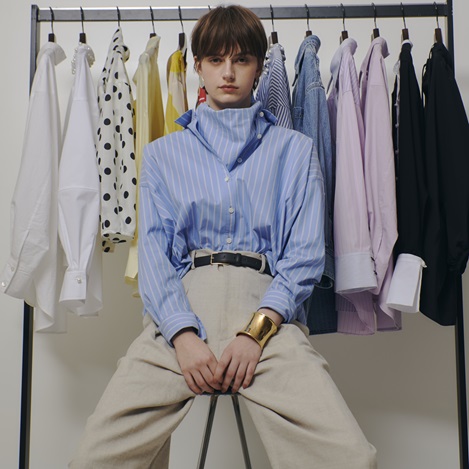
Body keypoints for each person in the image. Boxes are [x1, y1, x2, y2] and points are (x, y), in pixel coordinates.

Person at [70, 5, 377, 468]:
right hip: (181, 311)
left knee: (351, 458)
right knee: (94, 459)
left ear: (259, 67)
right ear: (198, 66)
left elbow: (305, 255)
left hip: (268, 314)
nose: (228, 73)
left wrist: (256, 333)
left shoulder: (295, 150)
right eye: (215, 60)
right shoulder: (163, 155)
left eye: (241, 60)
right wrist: (182, 336)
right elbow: (153, 256)